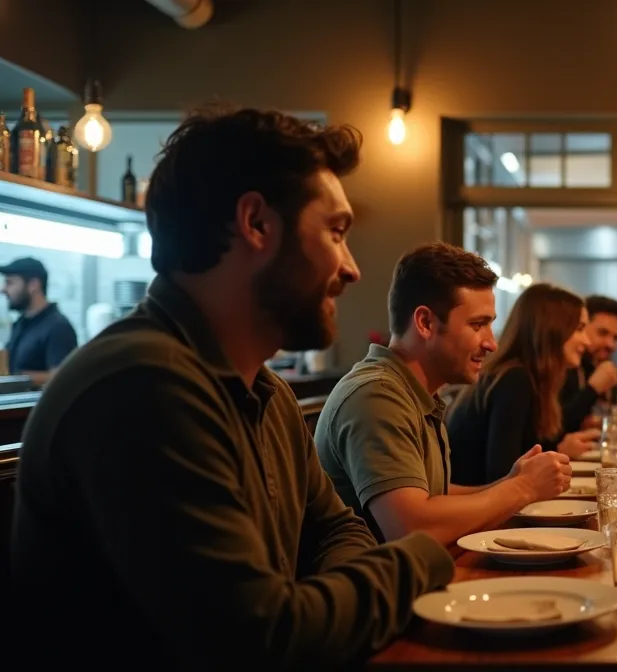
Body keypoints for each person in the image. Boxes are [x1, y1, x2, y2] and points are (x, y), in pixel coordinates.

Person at [10, 107, 455, 668]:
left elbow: (336, 529)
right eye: (336, 232)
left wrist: (330, 597)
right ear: (256, 224)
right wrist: (421, 559)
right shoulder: (142, 388)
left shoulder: (262, 390)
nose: (351, 268)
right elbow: (260, 640)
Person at [315, 242, 572, 545]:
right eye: (478, 325)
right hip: (374, 589)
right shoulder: (376, 396)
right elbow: (412, 527)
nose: (491, 343)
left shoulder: (415, 392)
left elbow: (434, 497)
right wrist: (522, 489)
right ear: (425, 323)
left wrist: (510, 482)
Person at [447, 283, 600, 486]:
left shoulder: (531, 378)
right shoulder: (514, 379)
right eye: (579, 328)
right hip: (472, 512)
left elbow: (520, 453)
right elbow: (501, 476)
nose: (588, 342)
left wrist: (558, 449)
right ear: (551, 328)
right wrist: (559, 452)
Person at [0, 257, 78, 384]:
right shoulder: (20, 324)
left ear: (33, 285)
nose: (3, 289)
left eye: (10, 283)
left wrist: (19, 379)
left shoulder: (58, 327)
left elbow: (62, 378)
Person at [558, 294, 617, 433]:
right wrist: (593, 389)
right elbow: (553, 429)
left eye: (615, 337)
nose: (611, 344)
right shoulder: (563, 366)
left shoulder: (595, 365)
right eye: (602, 333)